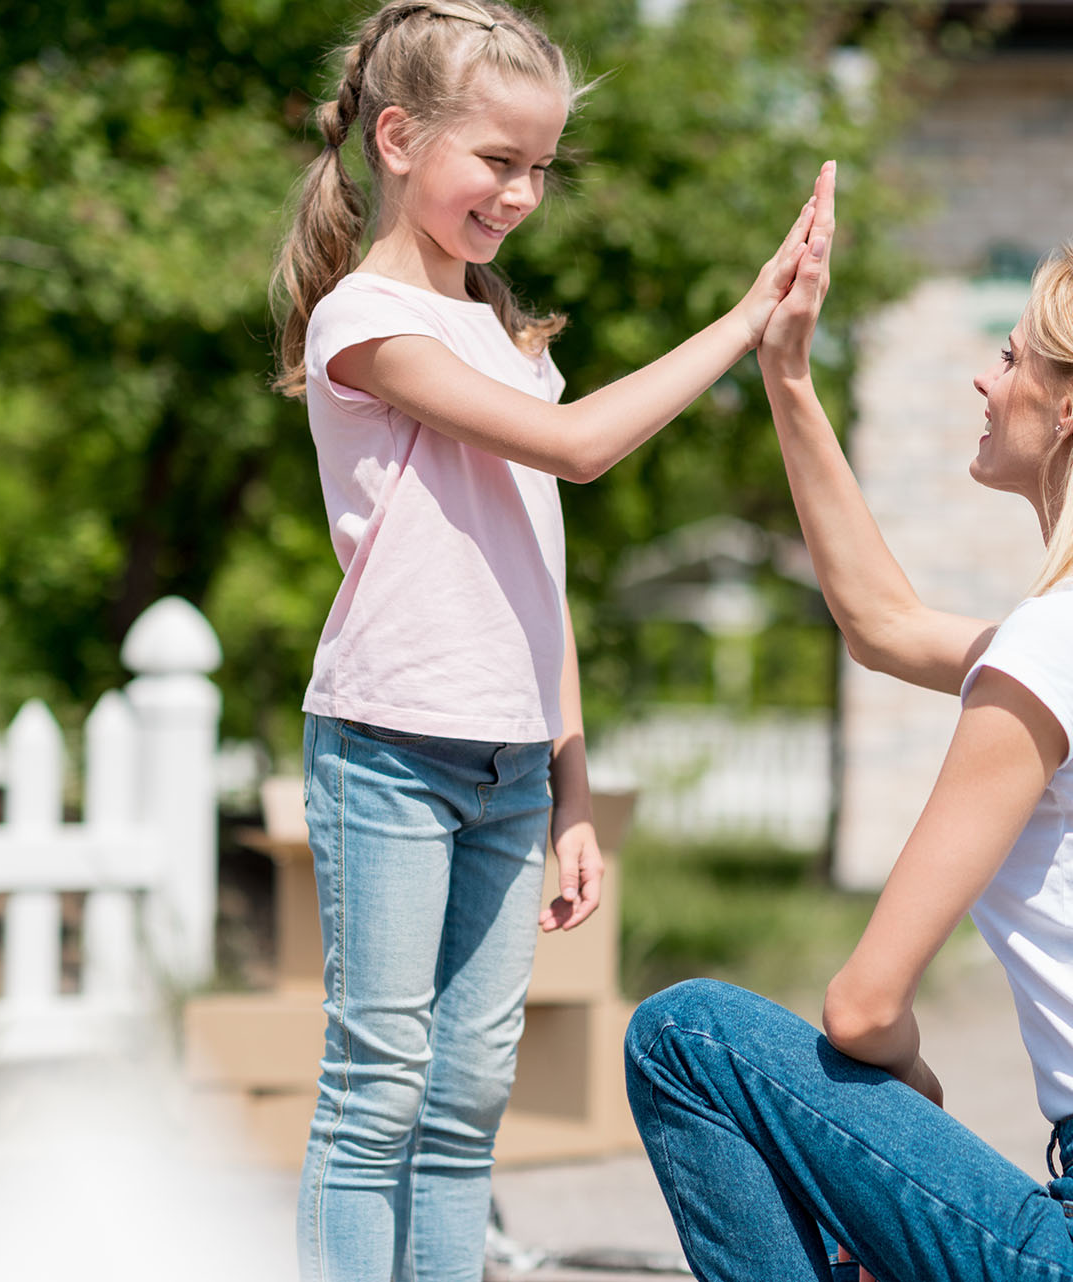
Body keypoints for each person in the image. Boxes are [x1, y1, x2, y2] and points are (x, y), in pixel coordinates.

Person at [624, 168, 1073, 1282]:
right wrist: (788, 376)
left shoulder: (1068, 640)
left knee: (687, 1035)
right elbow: (882, 622)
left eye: (1012, 356)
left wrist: (889, 1124)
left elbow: (865, 1002)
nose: (986, 374)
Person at [268, 4, 818, 1277]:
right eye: (497, 161)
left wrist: (571, 782)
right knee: (378, 1091)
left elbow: (537, 578)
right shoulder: (363, 322)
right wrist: (746, 322)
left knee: (465, 1105)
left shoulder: (513, 344)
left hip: (513, 769)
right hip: (392, 748)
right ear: (398, 139)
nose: (522, 193)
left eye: (540, 168)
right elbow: (579, 454)